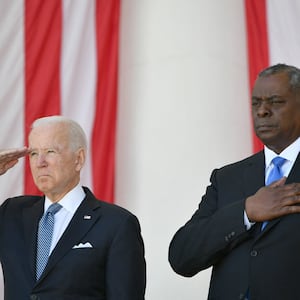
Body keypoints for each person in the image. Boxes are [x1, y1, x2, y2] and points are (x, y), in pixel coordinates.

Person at [168, 63, 300, 299]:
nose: (262, 111)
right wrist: (246, 212)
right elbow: (182, 256)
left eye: (276, 101)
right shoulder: (227, 178)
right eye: (256, 103)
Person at [0, 115, 146, 300]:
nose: (40, 163)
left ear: (79, 159)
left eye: (50, 151)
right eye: (34, 153)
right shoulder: (11, 213)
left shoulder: (117, 225)